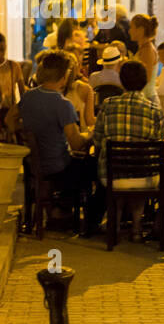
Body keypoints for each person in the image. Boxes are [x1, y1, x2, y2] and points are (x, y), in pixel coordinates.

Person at [16, 50, 104, 234]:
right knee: (97, 167)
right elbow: (76, 144)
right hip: (57, 166)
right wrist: (90, 135)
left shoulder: (28, 97)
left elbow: (9, 121)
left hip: (34, 165)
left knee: (82, 166)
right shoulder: (62, 104)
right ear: (64, 76)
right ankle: (80, 218)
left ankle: (61, 210)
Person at [90, 59, 164, 242]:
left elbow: (97, 139)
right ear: (146, 81)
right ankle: (137, 228)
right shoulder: (155, 110)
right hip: (145, 178)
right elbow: (160, 139)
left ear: (121, 81)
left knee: (119, 170)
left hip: (110, 177)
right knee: (138, 170)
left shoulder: (107, 105)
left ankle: (114, 224)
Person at [0, 32, 26, 139]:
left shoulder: (13, 66)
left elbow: (22, 91)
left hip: (10, 111)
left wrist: (21, 110)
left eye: (2, 49)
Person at [61, 49, 95, 128]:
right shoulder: (84, 88)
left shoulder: (52, 89)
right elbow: (90, 121)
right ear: (76, 67)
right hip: (79, 136)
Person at [129, 13, 159, 100]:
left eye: (131, 27)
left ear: (141, 30)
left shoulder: (147, 50)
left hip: (147, 98)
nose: (129, 31)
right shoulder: (143, 48)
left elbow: (146, 78)